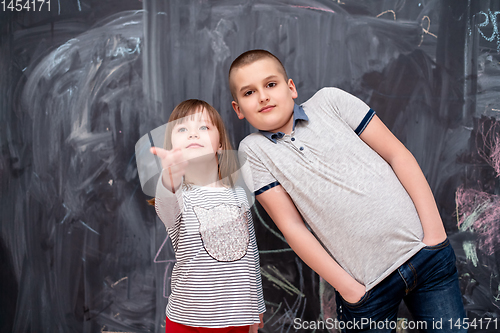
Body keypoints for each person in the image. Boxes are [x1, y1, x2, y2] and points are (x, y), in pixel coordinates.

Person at [229, 50, 466, 332]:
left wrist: (435, 234)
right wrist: (348, 287)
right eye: (249, 92)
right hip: (366, 288)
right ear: (238, 109)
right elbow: (292, 227)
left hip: (426, 255)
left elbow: (397, 154)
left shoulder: (330, 101)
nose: (263, 96)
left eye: (270, 85)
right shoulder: (254, 151)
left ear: (290, 88)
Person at [150, 99, 265, 333]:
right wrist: (169, 176)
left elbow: (251, 255)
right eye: (182, 129)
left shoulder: (239, 196)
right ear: (172, 146)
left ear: (220, 143)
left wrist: (257, 308)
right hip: (186, 318)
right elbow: (165, 202)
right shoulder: (178, 196)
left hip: (236, 317)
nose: (193, 134)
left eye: (203, 127)